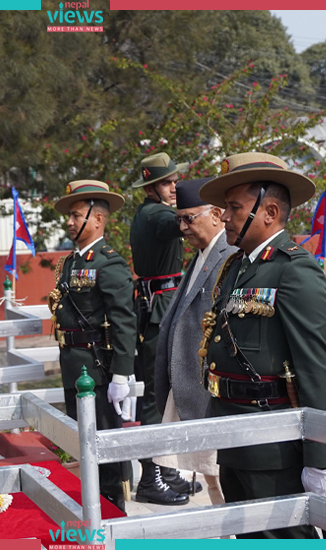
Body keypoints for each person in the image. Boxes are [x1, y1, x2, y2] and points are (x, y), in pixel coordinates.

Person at [197, 152, 326, 539]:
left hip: (271, 444)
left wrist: (321, 457)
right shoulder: (237, 266)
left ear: (269, 211)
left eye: (233, 207)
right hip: (233, 431)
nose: (224, 216)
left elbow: (315, 366)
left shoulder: (294, 269)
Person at [49, 180, 137, 511]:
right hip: (73, 365)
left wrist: (121, 376)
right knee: (84, 448)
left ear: (97, 219)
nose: (69, 222)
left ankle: (112, 510)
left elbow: (124, 322)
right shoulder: (70, 263)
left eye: (75, 215)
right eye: (69, 216)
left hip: (98, 370)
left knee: (104, 450)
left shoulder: (108, 263)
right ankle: (94, 508)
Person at [151, 178, 236, 506]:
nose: (183, 227)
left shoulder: (228, 258)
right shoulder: (201, 256)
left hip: (209, 395)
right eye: (179, 219)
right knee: (212, 482)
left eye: (189, 218)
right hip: (188, 389)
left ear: (216, 214)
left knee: (224, 481)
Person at [128, 152, 193, 504]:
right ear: (152, 186)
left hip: (159, 303)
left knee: (164, 393)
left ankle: (166, 470)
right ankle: (151, 478)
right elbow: (186, 223)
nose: (174, 188)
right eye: (168, 182)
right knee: (156, 397)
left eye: (174, 181)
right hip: (161, 307)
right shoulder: (158, 214)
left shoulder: (146, 212)